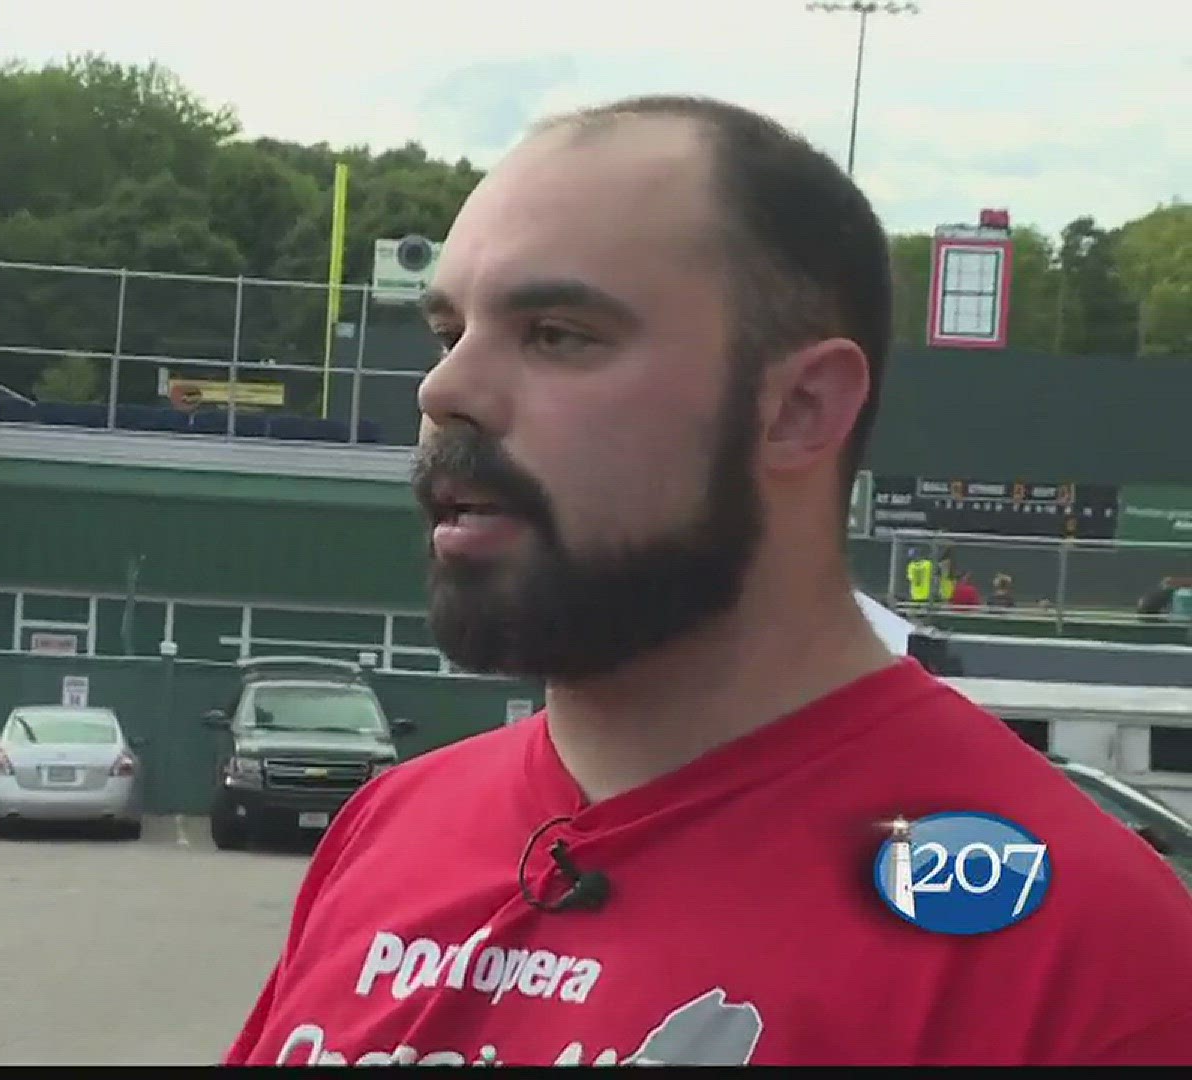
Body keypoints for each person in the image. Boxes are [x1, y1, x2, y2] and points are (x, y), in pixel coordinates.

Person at [222, 95, 1192, 1067]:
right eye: (447, 333)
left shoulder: (1086, 953)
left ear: (800, 408)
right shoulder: (390, 827)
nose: (444, 393)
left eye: (557, 333)